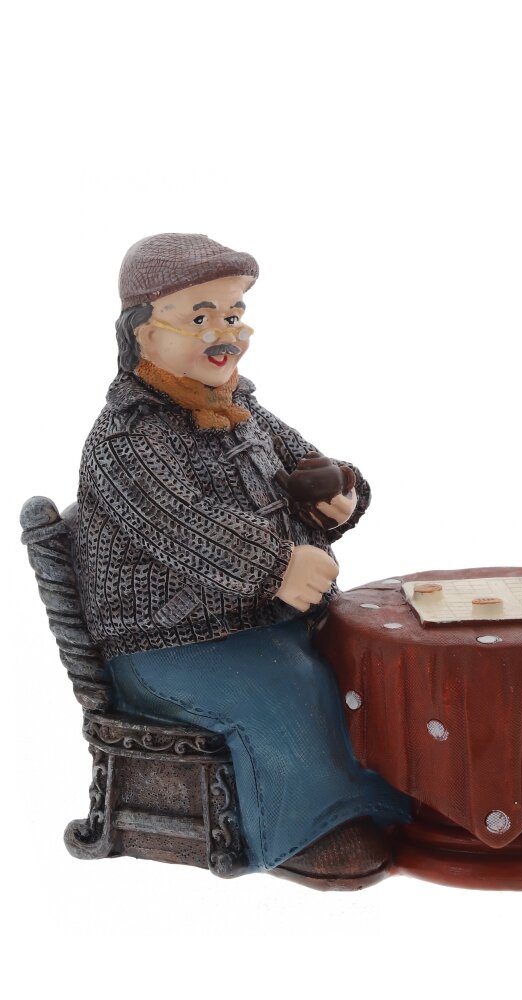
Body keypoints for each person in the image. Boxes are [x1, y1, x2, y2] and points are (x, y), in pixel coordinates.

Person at [75, 233, 410, 888]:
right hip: (169, 647)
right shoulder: (126, 437)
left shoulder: (239, 406)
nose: (224, 335)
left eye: (232, 315)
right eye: (201, 317)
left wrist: (340, 492)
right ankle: (313, 825)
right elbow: (183, 525)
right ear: (144, 333)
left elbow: (306, 461)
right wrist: (277, 566)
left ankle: (396, 800)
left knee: (372, 659)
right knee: (285, 690)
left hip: (260, 621)